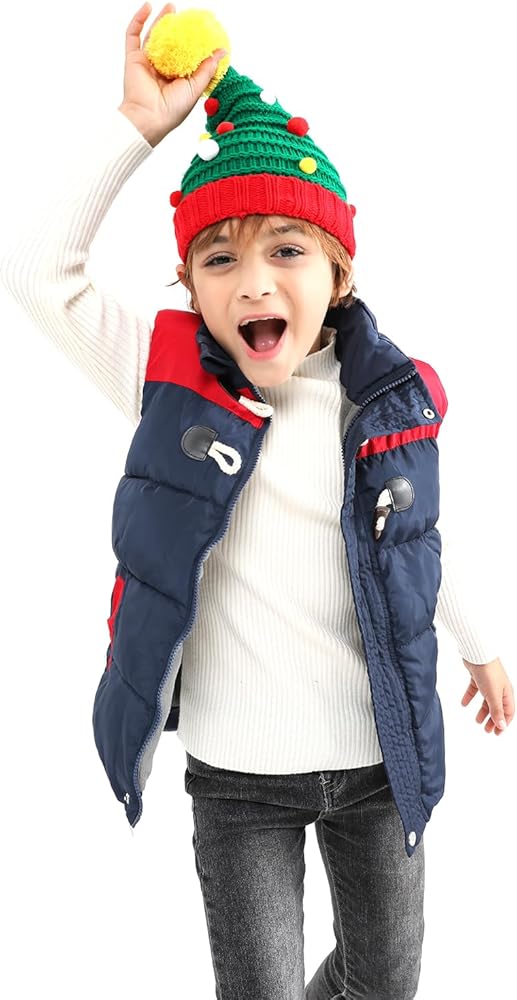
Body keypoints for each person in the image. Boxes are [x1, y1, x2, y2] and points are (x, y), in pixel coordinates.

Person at [0, 4, 514, 998]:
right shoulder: (168, 383)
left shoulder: (383, 403)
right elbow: (31, 267)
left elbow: (418, 539)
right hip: (238, 780)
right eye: (219, 258)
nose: (252, 282)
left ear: (337, 273)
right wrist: (137, 126)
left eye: (286, 250)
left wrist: (482, 642)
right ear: (190, 286)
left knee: (382, 980)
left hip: (375, 760)